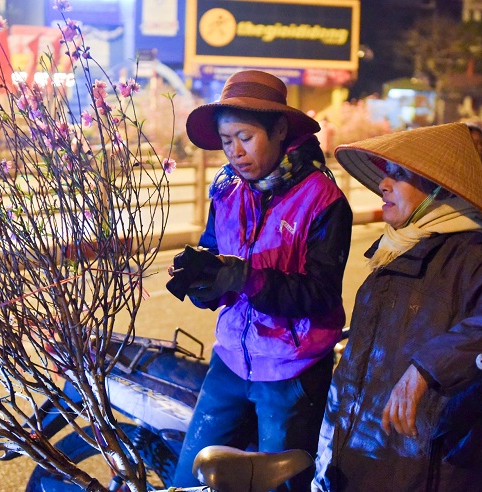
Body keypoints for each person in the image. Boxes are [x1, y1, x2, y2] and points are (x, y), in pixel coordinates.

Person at [311, 123, 482, 491]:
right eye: (386, 173)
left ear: (440, 191)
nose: (383, 184)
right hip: (350, 462)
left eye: (399, 175)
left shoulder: (472, 259)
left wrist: (428, 367)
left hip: (423, 472)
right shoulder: (394, 251)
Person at [166, 70, 353, 491]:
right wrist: (203, 282)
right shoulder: (228, 190)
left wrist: (248, 279)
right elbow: (214, 251)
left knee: (280, 485)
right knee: (190, 480)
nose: (235, 152)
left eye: (245, 137)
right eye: (226, 140)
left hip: (293, 373)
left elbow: (320, 295)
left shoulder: (324, 200)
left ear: (280, 128)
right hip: (230, 359)